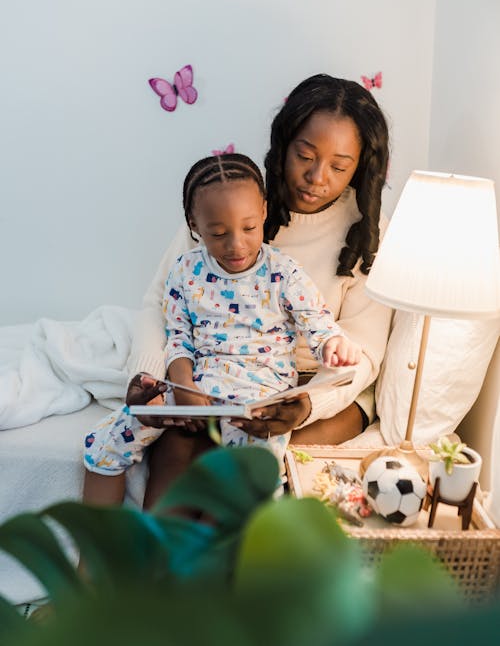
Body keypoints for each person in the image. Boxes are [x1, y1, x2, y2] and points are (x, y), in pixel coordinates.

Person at [86, 73, 392, 508]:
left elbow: (363, 351)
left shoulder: (365, 232)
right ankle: (156, 567)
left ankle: (241, 564)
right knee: (176, 447)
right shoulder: (231, 199)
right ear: (284, 144)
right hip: (212, 371)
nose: (316, 177)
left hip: (310, 390)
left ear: (359, 166)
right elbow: (162, 304)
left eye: (339, 166)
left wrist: (306, 404)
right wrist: (157, 382)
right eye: (304, 155)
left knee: (261, 459)